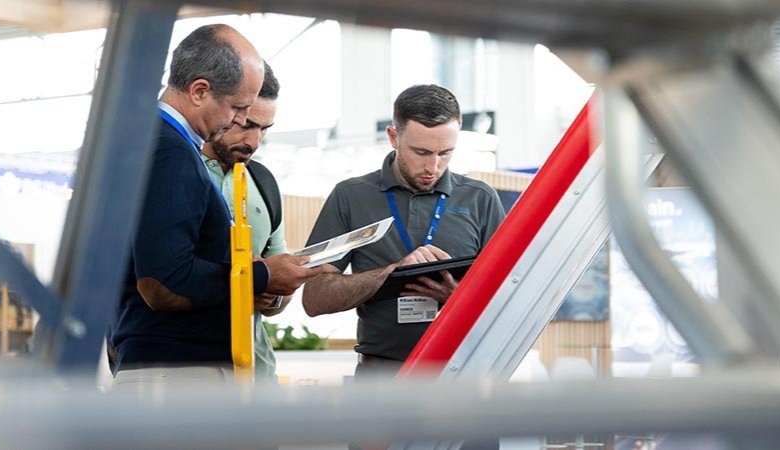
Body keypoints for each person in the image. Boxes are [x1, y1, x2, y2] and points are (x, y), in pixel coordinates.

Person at [108, 24, 318, 387]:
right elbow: (163, 282)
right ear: (200, 91)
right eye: (238, 108)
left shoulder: (154, 142)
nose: (240, 122)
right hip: (178, 373)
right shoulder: (169, 151)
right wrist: (263, 276)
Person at [302, 84, 506, 380]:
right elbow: (314, 299)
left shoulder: (480, 198)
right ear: (393, 137)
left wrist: (458, 298)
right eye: (421, 152)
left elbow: (510, 301)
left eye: (445, 153)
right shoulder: (351, 196)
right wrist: (391, 273)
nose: (433, 166)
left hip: (461, 377)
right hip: (378, 380)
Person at [200, 61, 299, 384]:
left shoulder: (264, 182)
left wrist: (276, 291)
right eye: (246, 124)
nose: (254, 142)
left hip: (257, 376)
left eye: (265, 130)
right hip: (186, 370)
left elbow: (278, 296)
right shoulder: (177, 169)